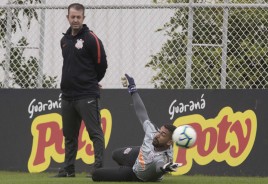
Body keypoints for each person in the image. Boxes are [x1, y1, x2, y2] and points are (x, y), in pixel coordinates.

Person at [91, 74, 182, 182]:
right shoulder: (153, 132)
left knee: (96, 175)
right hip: (138, 155)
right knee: (115, 154)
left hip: (136, 174)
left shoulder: (164, 157)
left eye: (163, 134)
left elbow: (159, 165)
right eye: (160, 131)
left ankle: (124, 171)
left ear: (169, 142)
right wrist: (133, 90)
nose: (157, 134)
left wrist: (165, 168)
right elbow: (141, 112)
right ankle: (124, 166)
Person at [55, 3, 108, 177]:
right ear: (68, 17)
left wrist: (92, 82)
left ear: (83, 18)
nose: (75, 20)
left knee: (95, 133)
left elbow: (102, 65)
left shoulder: (92, 39)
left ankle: (98, 170)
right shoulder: (64, 40)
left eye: (79, 17)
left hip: (87, 95)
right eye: (72, 16)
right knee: (69, 135)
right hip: (67, 96)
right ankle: (69, 170)